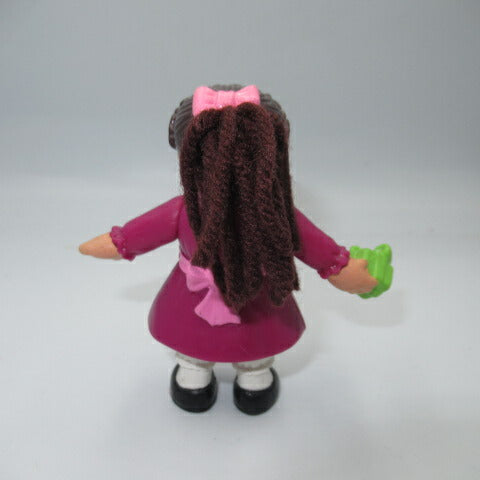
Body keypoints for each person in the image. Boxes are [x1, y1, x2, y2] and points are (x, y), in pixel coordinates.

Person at [79, 85, 377, 415]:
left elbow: (309, 241)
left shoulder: (273, 212)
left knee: (255, 349)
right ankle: (198, 373)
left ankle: (251, 375)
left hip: (253, 293)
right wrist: (120, 242)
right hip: (197, 295)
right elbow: (143, 231)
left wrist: (338, 266)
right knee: (193, 348)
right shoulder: (186, 211)